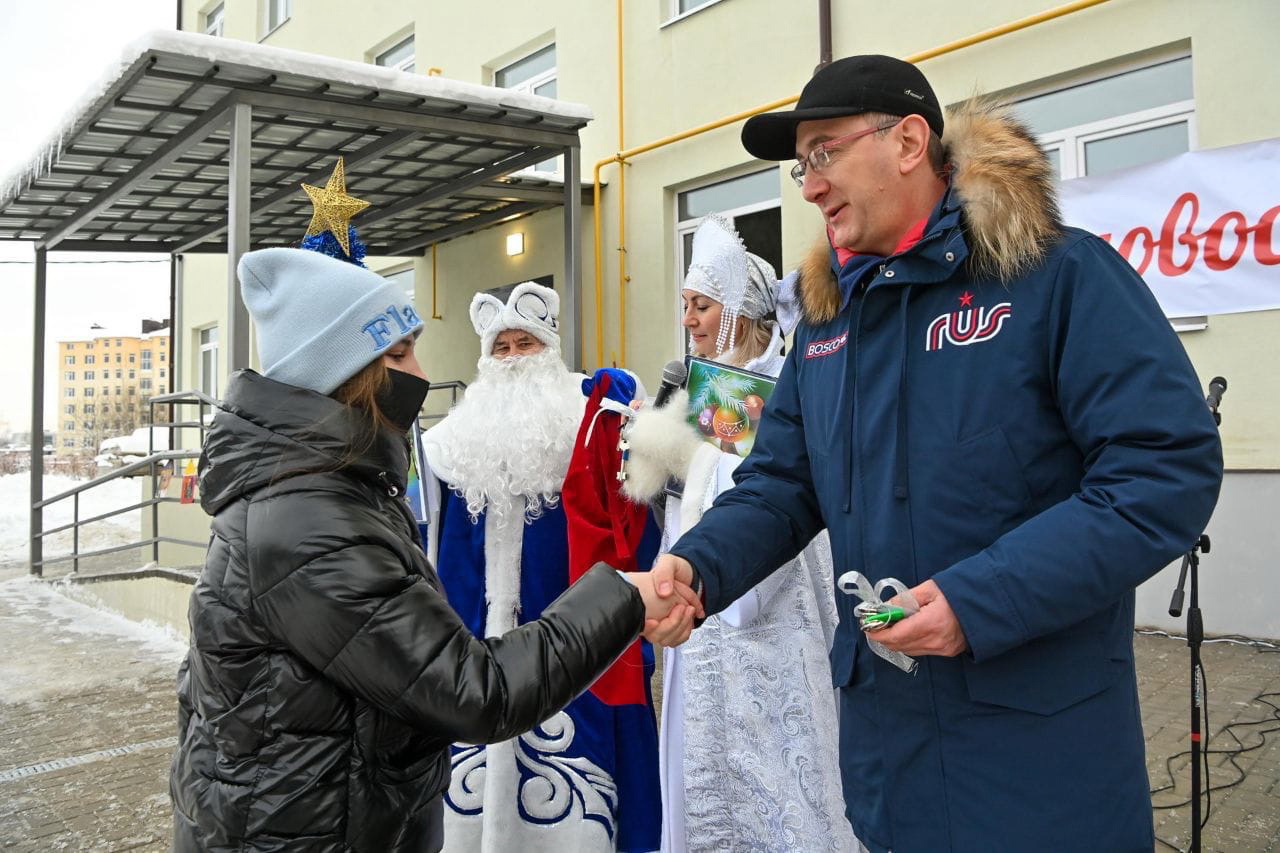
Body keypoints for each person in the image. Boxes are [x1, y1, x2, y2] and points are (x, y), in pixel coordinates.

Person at [648, 55, 1224, 852]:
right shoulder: (827, 325)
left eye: (825, 153)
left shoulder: (1056, 277)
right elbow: (782, 482)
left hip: (1042, 761)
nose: (809, 185)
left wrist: (977, 601)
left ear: (910, 141)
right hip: (890, 763)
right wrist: (698, 566)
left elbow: (1163, 470)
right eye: (801, 164)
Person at [169, 248, 697, 852]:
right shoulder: (311, 522)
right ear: (347, 374)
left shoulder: (334, 488)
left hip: (327, 811)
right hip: (303, 828)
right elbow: (471, 691)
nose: (419, 373)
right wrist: (623, 596)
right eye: (398, 354)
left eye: (525, 344)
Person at [621, 215, 856, 852]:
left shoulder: (782, 387)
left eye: (702, 306)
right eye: (687, 307)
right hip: (698, 612)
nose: (690, 320)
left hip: (773, 615)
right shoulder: (699, 396)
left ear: (737, 313)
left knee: (781, 770)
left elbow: (771, 496)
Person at [422, 282, 663, 853]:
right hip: (477, 650)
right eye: (499, 348)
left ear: (549, 346)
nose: (510, 360)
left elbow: (637, 523)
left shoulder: (590, 421)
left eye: (524, 344)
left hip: (574, 645)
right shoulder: (449, 444)